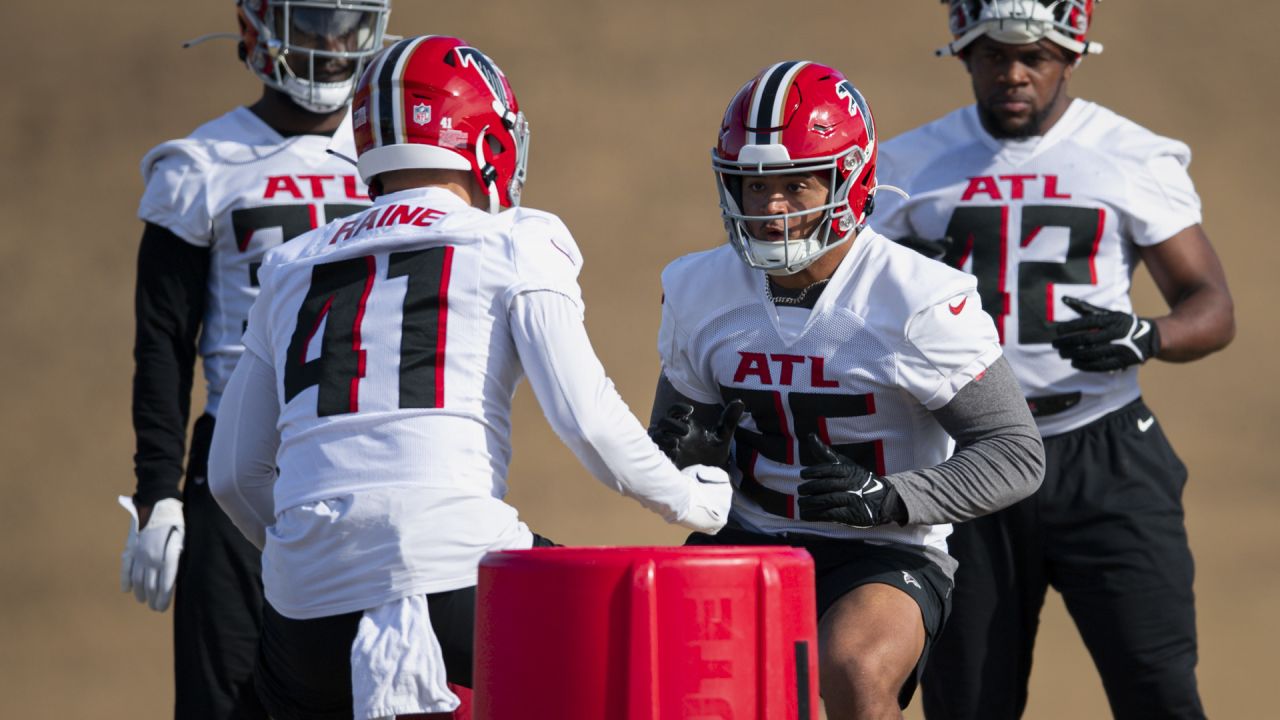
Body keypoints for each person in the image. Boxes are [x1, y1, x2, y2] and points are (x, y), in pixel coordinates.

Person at [206, 35, 734, 720]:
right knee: (645, 670)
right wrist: (689, 501)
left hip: (306, 596)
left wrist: (329, 550)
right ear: (489, 142)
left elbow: (234, 476)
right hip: (459, 568)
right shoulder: (514, 238)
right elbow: (587, 420)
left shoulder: (292, 264)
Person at [648, 60, 1045, 719]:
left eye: (795, 185)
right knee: (668, 673)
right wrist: (684, 455)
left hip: (884, 548)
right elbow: (677, 438)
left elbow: (1015, 450)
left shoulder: (914, 300)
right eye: (753, 185)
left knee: (854, 668)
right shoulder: (698, 288)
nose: (770, 208)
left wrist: (892, 498)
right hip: (748, 532)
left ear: (850, 180)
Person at [873, 2, 1236, 718]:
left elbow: (1211, 304)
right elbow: (845, 300)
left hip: (1104, 447)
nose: (1013, 73)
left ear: (1071, 56)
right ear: (963, 56)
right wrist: (898, 283)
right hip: (969, 453)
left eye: (1034, 56)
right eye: (992, 55)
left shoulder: (1130, 154)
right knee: (968, 701)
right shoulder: (906, 167)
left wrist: (1148, 336)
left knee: (1158, 690)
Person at [118, 1, 391, 717]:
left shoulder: (392, 162)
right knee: (228, 700)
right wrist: (158, 493)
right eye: (312, 24)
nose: (332, 48)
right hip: (239, 460)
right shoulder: (204, 164)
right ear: (258, 26)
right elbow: (163, 339)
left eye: (348, 25)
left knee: (371, 694)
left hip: (366, 460)